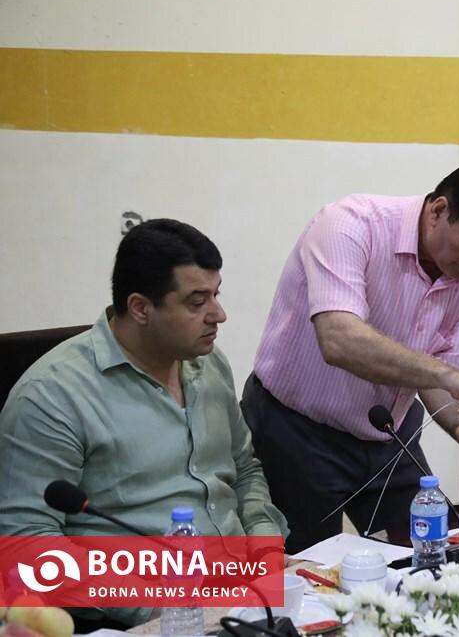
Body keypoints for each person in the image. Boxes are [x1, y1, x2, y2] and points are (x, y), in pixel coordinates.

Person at [0, 219, 287, 628]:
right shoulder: (52, 395)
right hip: (142, 616)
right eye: (197, 301)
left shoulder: (209, 365)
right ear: (140, 308)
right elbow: (26, 544)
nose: (219, 315)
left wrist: (265, 545)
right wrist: (164, 604)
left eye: (216, 295)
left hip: (245, 593)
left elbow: (243, 468)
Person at [242, 154, 459, 552]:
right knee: (304, 571)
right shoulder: (350, 225)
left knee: (428, 556)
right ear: (439, 211)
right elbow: (339, 339)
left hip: (389, 433)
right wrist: (449, 376)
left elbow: (442, 381)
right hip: (296, 431)